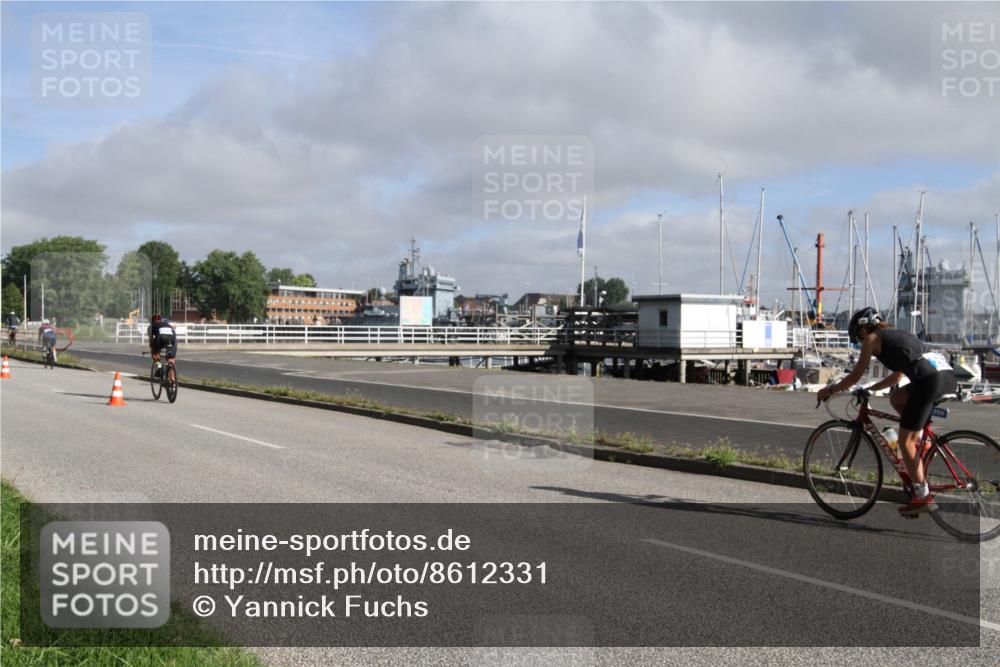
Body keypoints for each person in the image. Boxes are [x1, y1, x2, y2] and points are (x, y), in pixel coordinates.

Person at [817, 307, 958, 516]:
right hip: (945, 376)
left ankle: (923, 496)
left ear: (863, 329)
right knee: (897, 398)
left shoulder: (872, 339)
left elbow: (855, 375)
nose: (859, 341)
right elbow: (898, 376)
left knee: (904, 442)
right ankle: (923, 441)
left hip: (928, 381)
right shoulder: (896, 336)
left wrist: (829, 390)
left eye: (857, 336)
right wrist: (871, 389)